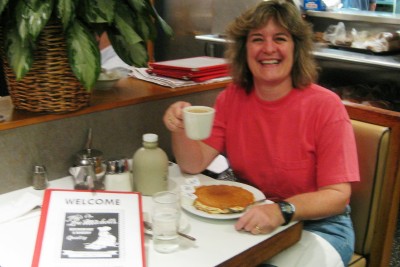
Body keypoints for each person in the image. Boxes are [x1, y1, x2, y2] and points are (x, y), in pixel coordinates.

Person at [163, 0, 360, 266]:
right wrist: (181, 127)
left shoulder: (325, 106)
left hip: (319, 227)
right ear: (244, 49)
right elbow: (192, 164)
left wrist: (282, 210)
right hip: (250, 217)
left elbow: (337, 196)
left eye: (280, 38)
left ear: (296, 48)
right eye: (257, 39)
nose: (269, 49)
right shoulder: (230, 100)